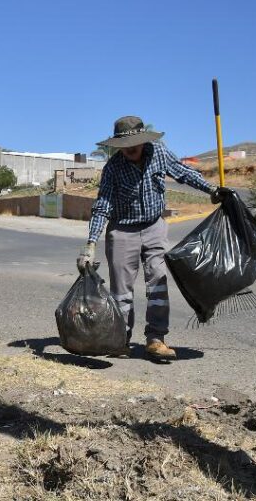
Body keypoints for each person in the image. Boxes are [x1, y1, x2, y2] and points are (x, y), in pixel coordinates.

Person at [78, 116, 232, 361]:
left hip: (154, 227)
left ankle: (156, 339)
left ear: (143, 140)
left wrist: (211, 190)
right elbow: (102, 206)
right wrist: (90, 243)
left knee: (158, 282)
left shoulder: (159, 152)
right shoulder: (113, 168)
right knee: (121, 291)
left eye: (134, 143)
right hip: (122, 230)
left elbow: (183, 173)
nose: (130, 149)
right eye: (124, 145)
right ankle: (120, 340)